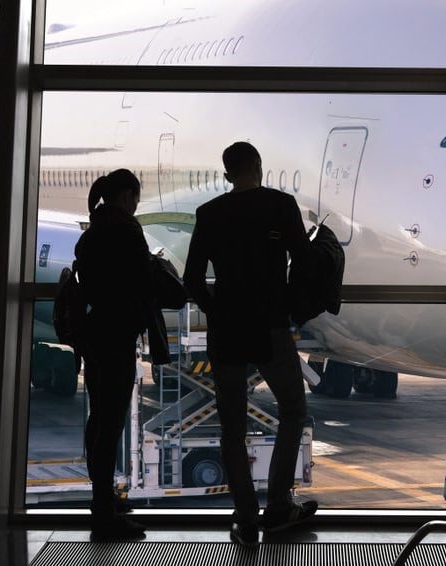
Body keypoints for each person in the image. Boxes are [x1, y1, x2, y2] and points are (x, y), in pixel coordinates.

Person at [183, 142, 318, 547]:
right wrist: (291, 309)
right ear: (259, 168)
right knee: (293, 410)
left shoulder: (210, 214)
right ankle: (278, 505)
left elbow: (192, 279)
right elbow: (306, 262)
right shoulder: (281, 206)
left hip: (228, 332)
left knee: (232, 430)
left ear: (227, 175)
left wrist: (217, 311)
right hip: (272, 328)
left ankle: (245, 516)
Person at [74, 168, 154, 540]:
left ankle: (101, 500)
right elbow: (142, 279)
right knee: (111, 424)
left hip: (95, 337)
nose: (137, 205)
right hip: (117, 338)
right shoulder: (126, 231)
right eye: (135, 198)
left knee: (100, 422)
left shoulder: (91, 234)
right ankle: (105, 513)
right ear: (126, 197)